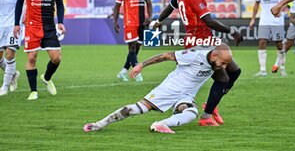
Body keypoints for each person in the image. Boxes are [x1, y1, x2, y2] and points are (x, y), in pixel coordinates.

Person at [151, 0, 243, 126]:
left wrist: (158, 21)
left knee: (234, 71)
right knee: (222, 79)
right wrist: (231, 31)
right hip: (200, 42)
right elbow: (208, 20)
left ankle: (212, 105)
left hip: (198, 39)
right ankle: (207, 116)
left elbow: (168, 8)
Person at [83, 44, 233, 134]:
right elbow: (166, 56)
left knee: (191, 113)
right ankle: (100, 124)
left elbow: (226, 76)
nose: (224, 67)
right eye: (223, 63)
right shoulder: (194, 55)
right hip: (169, 89)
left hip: (185, 95)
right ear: (214, 55)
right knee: (137, 109)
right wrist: (141, 64)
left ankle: (161, 124)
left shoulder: (215, 60)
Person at [14, 0, 66, 100]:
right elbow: (19, 3)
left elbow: (60, 5)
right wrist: (16, 23)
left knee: (56, 58)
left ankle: (47, 77)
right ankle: (33, 91)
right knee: (32, 57)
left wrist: (60, 21)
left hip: (49, 25)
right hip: (32, 25)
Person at [114, 0, 152, 82]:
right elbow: (117, 6)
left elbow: (149, 4)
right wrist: (115, 21)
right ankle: (137, 74)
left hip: (142, 22)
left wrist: (149, 17)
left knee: (137, 47)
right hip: (129, 22)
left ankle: (123, 71)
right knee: (132, 46)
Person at [249, 0, 287, 77]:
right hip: (264, 20)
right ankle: (263, 70)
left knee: (279, 44)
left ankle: (282, 67)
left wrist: (280, 10)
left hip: (277, 20)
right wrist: (253, 19)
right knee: (261, 42)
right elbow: (256, 4)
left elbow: (285, 1)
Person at [0, 0, 21, 96]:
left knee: (9, 53)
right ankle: (13, 74)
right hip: (0, 22)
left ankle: (4, 87)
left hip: (13, 23)